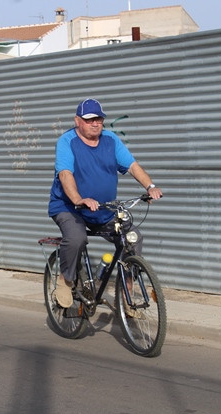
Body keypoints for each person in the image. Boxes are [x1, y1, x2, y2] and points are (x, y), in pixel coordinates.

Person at [48, 98, 163, 308]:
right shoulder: (67, 142)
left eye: (99, 119)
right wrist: (78, 199)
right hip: (69, 207)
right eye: (89, 119)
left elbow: (132, 166)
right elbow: (65, 174)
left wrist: (150, 186)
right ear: (77, 121)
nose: (95, 123)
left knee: (133, 239)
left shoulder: (110, 140)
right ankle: (65, 280)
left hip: (102, 208)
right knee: (76, 238)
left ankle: (126, 296)